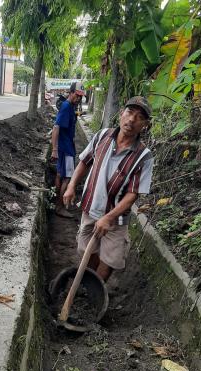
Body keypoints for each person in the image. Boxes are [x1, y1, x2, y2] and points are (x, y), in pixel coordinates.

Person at [63, 96, 154, 281]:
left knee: (110, 260)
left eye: (139, 117)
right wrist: (71, 186)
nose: (131, 120)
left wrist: (108, 217)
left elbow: (132, 194)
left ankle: (97, 289)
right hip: (90, 209)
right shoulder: (102, 136)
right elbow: (84, 162)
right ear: (121, 113)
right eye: (129, 112)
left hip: (116, 219)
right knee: (87, 252)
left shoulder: (144, 156)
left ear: (145, 125)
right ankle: (90, 284)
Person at [51, 82, 85, 218]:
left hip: (66, 147)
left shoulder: (70, 107)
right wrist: (54, 149)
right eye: (77, 95)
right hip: (65, 149)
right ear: (71, 93)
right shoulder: (66, 107)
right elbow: (56, 128)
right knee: (67, 178)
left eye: (80, 97)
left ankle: (57, 202)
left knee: (60, 175)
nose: (78, 99)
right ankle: (60, 207)